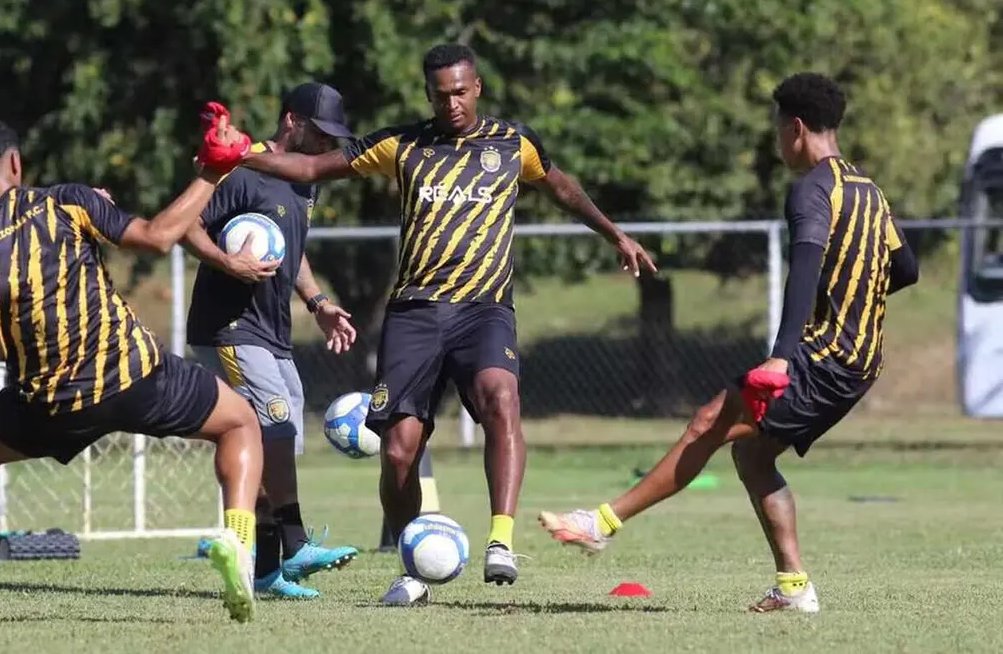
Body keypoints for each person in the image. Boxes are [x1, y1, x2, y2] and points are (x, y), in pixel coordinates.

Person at [233, 43, 656, 605]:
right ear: (428, 95)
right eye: (440, 95)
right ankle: (411, 571)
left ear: (477, 87)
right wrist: (238, 154)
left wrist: (615, 234)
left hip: (485, 310)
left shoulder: (514, 144)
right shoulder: (402, 145)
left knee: (501, 397)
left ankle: (501, 541)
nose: (451, 103)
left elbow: (563, 189)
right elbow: (311, 167)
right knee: (398, 451)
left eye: (460, 92)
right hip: (416, 313)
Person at [538, 72, 920, 614]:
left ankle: (600, 523)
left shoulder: (812, 190)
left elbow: (804, 271)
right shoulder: (869, 192)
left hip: (822, 357)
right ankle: (794, 587)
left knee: (707, 422)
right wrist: (851, 295)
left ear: (796, 127)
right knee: (752, 454)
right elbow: (906, 268)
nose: (777, 142)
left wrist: (782, 357)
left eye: (777, 130)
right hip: (860, 361)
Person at [0, 111, 264, 625]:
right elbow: (157, 237)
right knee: (240, 423)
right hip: (134, 374)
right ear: (15, 163)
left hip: (48, 403)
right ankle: (238, 542)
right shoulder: (67, 201)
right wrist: (213, 172)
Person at [183, 82, 359, 600]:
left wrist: (318, 303)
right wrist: (227, 261)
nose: (327, 145)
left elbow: (291, 249)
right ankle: (296, 542)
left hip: (273, 331)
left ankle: (264, 570)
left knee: (275, 440)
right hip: (230, 327)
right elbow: (187, 224)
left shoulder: (305, 182)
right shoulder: (242, 168)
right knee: (274, 421)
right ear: (291, 121)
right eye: (320, 133)